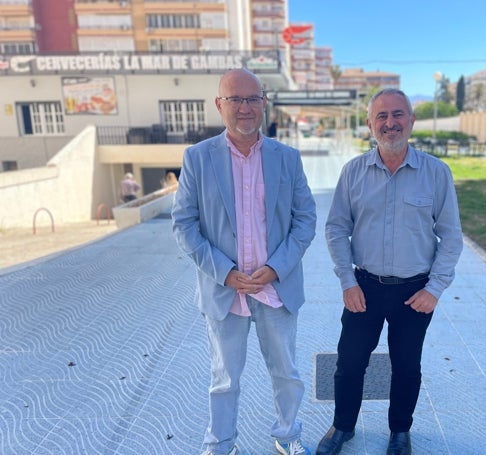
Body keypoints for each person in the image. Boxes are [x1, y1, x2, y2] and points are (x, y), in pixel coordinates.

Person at [172, 68, 317, 455]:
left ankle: (287, 436)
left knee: (286, 373)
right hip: (225, 291)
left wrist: (278, 267)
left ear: (264, 104)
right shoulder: (197, 158)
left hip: (276, 288)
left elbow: (305, 219)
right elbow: (184, 224)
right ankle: (221, 445)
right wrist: (226, 272)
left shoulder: (287, 158)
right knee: (224, 379)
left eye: (253, 98)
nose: (244, 107)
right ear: (219, 105)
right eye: (235, 99)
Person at [317, 89, 463, 455]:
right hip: (364, 287)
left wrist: (435, 289)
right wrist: (347, 282)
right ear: (369, 124)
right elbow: (336, 228)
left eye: (398, 114)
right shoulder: (353, 172)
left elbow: (451, 236)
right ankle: (343, 426)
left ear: (411, 121)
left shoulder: (436, 173)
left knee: (406, 367)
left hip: (414, 293)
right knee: (349, 364)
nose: (390, 122)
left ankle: (400, 431)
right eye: (381, 116)